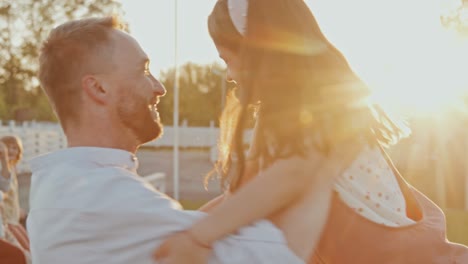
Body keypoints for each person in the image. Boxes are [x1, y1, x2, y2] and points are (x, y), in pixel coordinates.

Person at [154, 0, 468, 263]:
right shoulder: (298, 114)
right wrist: (175, 227)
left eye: (228, 59)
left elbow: (295, 174)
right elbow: (242, 197)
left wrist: (197, 235)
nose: (230, 75)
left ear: (258, 51)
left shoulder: (317, 110)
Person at [27, 16, 355, 264]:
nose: (159, 87)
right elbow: (273, 254)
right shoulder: (101, 198)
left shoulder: (72, 186)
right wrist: (318, 166)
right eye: (143, 71)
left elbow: (198, 227)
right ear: (98, 89)